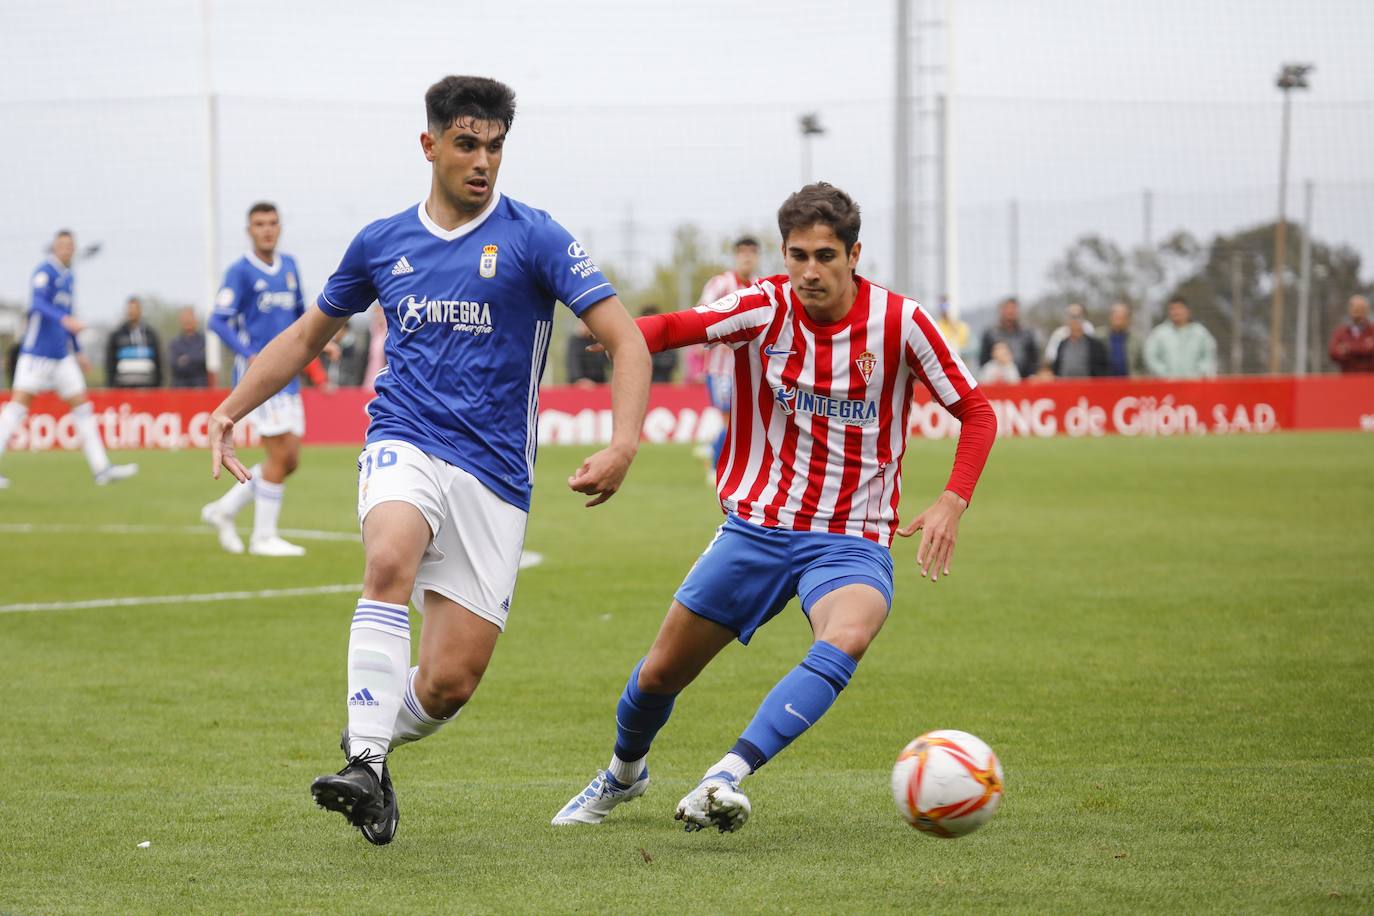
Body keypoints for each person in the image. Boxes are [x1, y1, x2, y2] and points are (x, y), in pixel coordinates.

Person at [206, 75, 650, 846]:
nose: (483, 161)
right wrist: (230, 408)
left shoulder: (536, 236)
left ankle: (366, 749)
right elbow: (310, 336)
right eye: (467, 143)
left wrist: (622, 443)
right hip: (403, 439)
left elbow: (627, 341)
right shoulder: (382, 242)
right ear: (431, 145)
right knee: (388, 556)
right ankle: (369, 766)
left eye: (496, 147)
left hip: (497, 478)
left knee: (450, 683)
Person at [552, 182, 996, 834]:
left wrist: (954, 499)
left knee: (847, 635)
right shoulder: (765, 308)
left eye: (825, 256)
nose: (810, 271)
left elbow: (976, 411)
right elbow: (679, 327)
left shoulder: (902, 323)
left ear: (854, 254)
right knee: (658, 675)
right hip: (758, 527)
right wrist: (621, 333)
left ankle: (723, 776)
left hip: (852, 537)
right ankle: (624, 774)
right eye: (797, 256)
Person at [201, 202, 321, 557]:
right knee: (281, 453)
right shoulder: (240, 271)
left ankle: (225, 509)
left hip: (291, 377)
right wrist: (248, 351)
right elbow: (217, 320)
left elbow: (301, 314)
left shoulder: (290, 267)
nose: (267, 229)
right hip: (261, 378)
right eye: (259, 224)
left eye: (272, 223)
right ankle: (263, 536)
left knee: (290, 460)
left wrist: (320, 346)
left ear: (280, 227)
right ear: (249, 230)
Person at [0, 230, 138, 489]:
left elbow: (69, 318)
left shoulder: (69, 277)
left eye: (70, 245)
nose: (67, 249)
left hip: (61, 357)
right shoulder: (45, 272)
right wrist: (64, 320)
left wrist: (78, 351)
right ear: (53, 248)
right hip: (37, 354)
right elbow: (38, 305)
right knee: (16, 409)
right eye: (62, 245)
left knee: (83, 408)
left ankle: (101, 469)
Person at [697, 236, 760, 473]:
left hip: (749, 367)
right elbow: (702, 314)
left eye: (752, 252)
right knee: (730, 419)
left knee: (743, 420)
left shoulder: (759, 286)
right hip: (721, 368)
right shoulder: (720, 284)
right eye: (742, 252)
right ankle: (715, 464)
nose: (747, 257)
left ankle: (713, 451)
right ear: (735, 256)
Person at [1144, 296, 1217, 379]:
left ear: (1188, 311)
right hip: (1166, 386)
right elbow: (1151, 356)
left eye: (1179, 308)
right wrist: (1164, 375)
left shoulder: (1200, 332)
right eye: (1172, 309)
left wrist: (1199, 374)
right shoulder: (1159, 333)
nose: (1176, 312)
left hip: (1195, 385)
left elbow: (1209, 355)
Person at [105, 296, 163, 388]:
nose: (132, 312)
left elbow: (159, 362)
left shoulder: (151, 335)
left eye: (135, 309)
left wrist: (158, 386)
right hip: (123, 387)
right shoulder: (117, 335)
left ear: (140, 311)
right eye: (129, 309)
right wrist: (111, 387)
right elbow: (110, 364)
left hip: (147, 388)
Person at [977, 296, 1039, 380]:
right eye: (1007, 308)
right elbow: (983, 360)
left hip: (1023, 382)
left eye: (1013, 308)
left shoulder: (1027, 333)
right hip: (997, 382)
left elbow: (1034, 359)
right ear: (1001, 311)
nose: (1010, 312)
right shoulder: (990, 333)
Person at [1051, 304, 1109, 378]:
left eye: (1077, 317)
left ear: (1084, 319)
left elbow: (1102, 373)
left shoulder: (1096, 346)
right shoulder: (1062, 344)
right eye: (1071, 317)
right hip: (1066, 388)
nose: (1074, 321)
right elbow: (1056, 370)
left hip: (1088, 388)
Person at [1328, 294, 1374, 373]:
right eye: (1355, 308)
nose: (1357, 311)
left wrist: (1347, 348)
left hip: (1369, 379)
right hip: (1348, 379)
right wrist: (1364, 348)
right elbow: (1333, 353)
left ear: (1366, 310)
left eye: (1360, 308)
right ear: (1349, 309)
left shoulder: (1372, 331)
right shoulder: (1340, 332)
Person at [1043, 303, 1095, 367]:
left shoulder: (1089, 330)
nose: (1075, 320)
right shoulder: (1058, 334)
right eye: (1072, 316)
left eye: (1077, 316)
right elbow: (1050, 357)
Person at [168, 307, 210, 388]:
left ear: (196, 320)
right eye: (185, 319)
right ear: (180, 321)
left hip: (200, 389)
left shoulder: (205, 341)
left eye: (190, 318)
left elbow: (203, 360)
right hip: (179, 389)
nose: (187, 321)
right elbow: (175, 365)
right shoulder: (175, 343)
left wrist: (186, 359)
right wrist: (195, 356)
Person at [1102, 301, 1143, 377]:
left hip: (1130, 384)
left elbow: (1142, 366)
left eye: (1122, 316)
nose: (1119, 319)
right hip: (1105, 384)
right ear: (1110, 317)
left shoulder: (1137, 341)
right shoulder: (1099, 337)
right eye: (1116, 316)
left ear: (1128, 319)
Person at [640, 305, 678, 382]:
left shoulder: (667, 339)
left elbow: (672, 362)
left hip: (663, 385)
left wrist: (653, 362)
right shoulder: (637, 342)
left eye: (652, 321)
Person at [565, 318, 607, 385]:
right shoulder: (575, 341)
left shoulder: (598, 341)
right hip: (579, 383)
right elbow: (573, 361)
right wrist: (579, 379)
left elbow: (604, 361)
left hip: (598, 383)